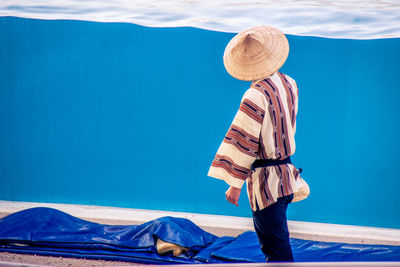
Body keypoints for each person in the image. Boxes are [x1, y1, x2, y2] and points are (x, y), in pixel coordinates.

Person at [208, 25, 309, 262]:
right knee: (279, 240)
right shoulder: (289, 83)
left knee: (274, 247)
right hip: (287, 173)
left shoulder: (255, 95)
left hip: (267, 182)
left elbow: (244, 142)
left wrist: (235, 184)